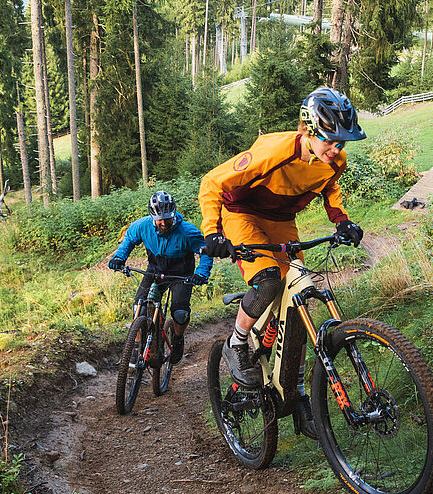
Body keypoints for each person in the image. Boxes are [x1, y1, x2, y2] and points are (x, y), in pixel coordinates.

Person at [198, 87, 366, 439]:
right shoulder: (275, 150)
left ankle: (297, 392)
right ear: (309, 131)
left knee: (298, 298)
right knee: (270, 281)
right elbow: (212, 182)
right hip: (242, 215)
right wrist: (212, 233)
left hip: (282, 220)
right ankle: (238, 342)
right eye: (331, 140)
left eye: (342, 141)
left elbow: (330, 190)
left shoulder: (336, 160)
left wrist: (342, 221)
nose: (337, 148)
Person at [108, 191, 213, 365]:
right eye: (159, 219)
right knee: (139, 308)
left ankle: (178, 339)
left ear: (174, 214)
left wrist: (201, 272)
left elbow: (206, 252)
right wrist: (119, 258)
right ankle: (136, 348)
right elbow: (128, 241)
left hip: (181, 274)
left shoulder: (187, 232)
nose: (163, 223)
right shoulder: (141, 226)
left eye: (167, 218)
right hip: (155, 270)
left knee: (180, 313)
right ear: (152, 216)